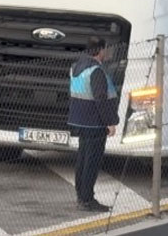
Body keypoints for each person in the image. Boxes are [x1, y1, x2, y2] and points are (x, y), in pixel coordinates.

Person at [68, 36, 119, 212]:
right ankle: (87, 199)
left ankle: (81, 196)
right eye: (105, 48)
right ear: (100, 50)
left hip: (79, 120)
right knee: (92, 162)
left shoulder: (76, 67)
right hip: (95, 123)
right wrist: (110, 122)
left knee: (82, 160)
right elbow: (100, 99)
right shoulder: (96, 71)